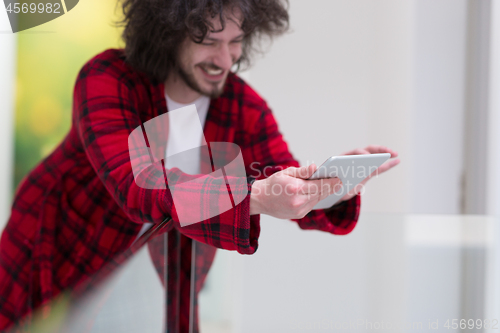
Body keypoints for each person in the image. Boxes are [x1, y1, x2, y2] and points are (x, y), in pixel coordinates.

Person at [0, 0, 400, 331]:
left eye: (236, 42)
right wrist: (254, 196)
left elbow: (285, 179)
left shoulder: (243, 107)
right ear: (166, 32)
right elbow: (138, 186)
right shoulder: (108, 79)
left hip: (152, 277)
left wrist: (332, 185)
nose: (225, 60)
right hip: (56, 248)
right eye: (209, 41)